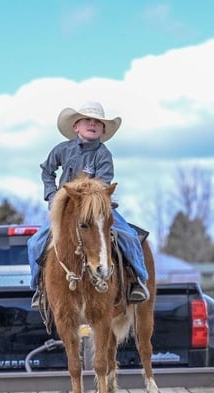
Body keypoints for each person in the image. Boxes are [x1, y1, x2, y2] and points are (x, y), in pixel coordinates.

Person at [27, 101, 149, 309]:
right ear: (76, 126)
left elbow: (103, 182)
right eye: (87, 120)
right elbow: (47, 171)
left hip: (96, 210)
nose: (92, 124)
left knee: (128, 235)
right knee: (35, 242)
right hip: (66, 209)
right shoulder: (62, 149)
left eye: (97, 122)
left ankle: (137, 280)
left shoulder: (103, 154)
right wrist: (52, 195)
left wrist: (91, 198)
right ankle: (39, 287)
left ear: (103, 130)